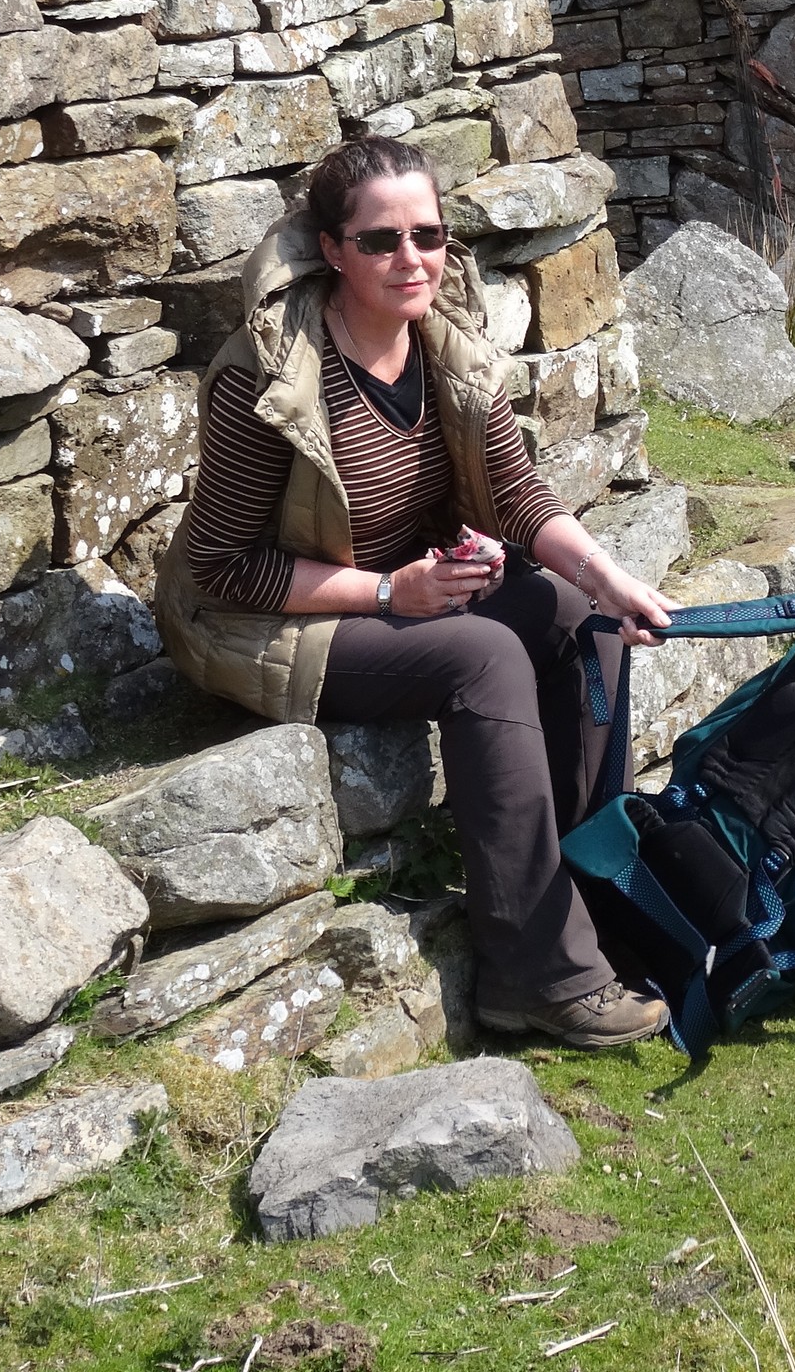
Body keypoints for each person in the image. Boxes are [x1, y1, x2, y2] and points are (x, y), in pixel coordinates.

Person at [154, 136, 677, 1048]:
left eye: (428, 237)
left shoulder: (449, 352)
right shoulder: (265, 379)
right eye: (380, 241)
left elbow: (517, 493)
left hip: (402, 592)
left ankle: (595, 908)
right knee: (482, 657)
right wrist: (392, 593)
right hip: (272, 621)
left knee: (581, 620)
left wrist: (611, 578)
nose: (411, 260)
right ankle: (533, 977)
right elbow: (223, 568)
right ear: (331, 250)